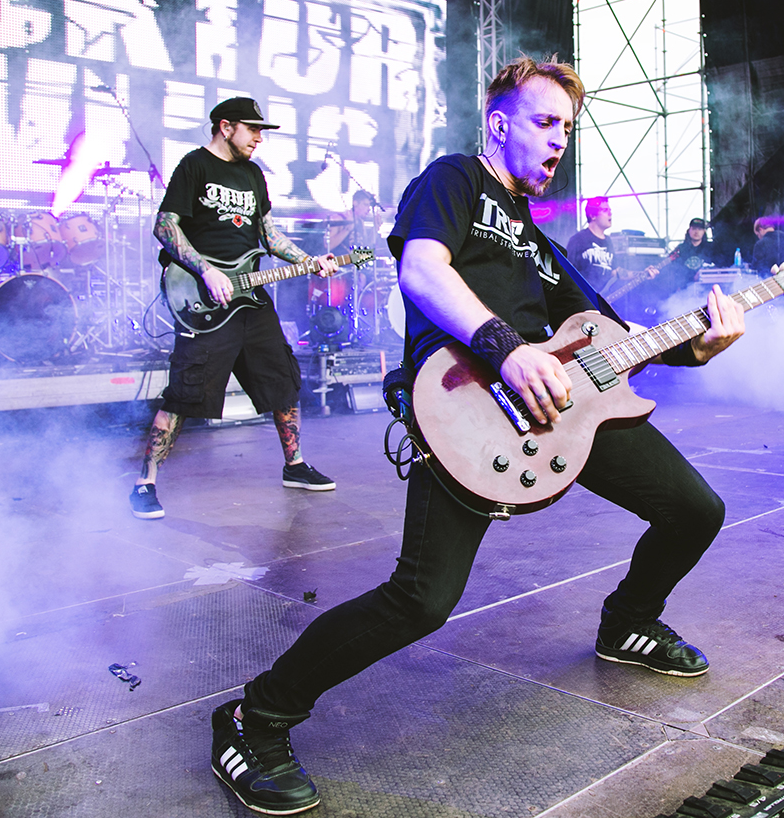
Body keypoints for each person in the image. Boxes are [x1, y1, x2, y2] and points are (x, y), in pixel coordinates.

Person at [208, 57, 745, 815]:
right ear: (498, 123)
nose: (559, 139)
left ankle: (628, 624)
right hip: (467, 399)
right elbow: (422, 271)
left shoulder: (539, 243)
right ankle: (253, 717)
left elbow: (614, 338)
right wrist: (506, 347)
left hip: (558, 407)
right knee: (421, 600)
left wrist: (697, 346)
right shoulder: (455, 178)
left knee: (695, 508)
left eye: (567, 127)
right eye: (544, 121)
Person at [129, 97, 340, 521]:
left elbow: (268, 234)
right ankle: (145, 482)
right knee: (185, 392)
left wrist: (308, 260)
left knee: (283, 379)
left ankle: (295, 465)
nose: (259, 138)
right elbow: (165, 226)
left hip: (250, 296)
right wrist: (207, 271)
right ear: (226, 127)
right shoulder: (194, 166)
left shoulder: (253, 175)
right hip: (204, 298)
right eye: (252, 129)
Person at [565, 197, 659, 291]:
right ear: (593, 216)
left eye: (610, 210)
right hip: (580, 296)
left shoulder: (608, 241)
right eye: (605, 210)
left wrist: (642, 274)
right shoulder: (578, 239)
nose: (610, 213)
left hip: (599, 296)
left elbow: (615, 272)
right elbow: (566, 270)